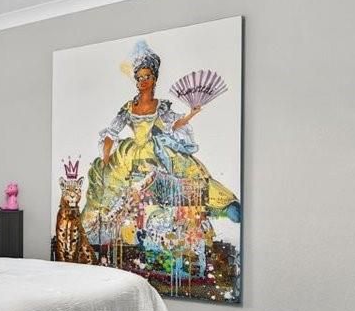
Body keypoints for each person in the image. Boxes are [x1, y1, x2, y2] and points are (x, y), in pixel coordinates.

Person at [82, 40, 240, 242]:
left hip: (156, 148)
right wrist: (105, 157)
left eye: (147, 76)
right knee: (116, 192)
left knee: (189, 169)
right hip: (131, 154)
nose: (142, 81)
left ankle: (224, 204)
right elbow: (111, 133)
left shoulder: (161, 106)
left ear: (154, 79)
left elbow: (174, 124)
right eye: (139, 78)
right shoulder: (128, 107)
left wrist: (191, 114)